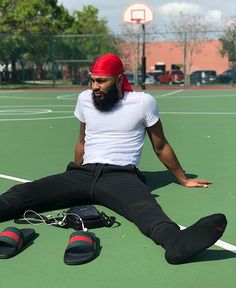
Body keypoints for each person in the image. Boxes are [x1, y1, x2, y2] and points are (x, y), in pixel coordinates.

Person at [0, 53, 227, 264]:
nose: (94, 87)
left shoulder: (142, 102)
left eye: (101, 81)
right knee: (23, 193)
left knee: (146, 211)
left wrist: (182, 178)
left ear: (119, 80)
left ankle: (175, 243)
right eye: (92, 80)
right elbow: (82, 139)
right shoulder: (85, 100)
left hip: (121, 175)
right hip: (83, 173)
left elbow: (160, 144)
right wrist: (71, 178)